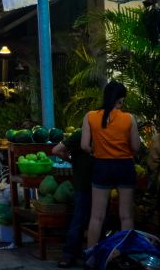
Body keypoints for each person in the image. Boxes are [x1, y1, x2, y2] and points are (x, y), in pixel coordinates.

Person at [82, 80, 142, 249]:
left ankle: (91, 257)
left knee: (97, 216)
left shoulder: (90, 116)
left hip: (101, 166)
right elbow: (136, 146)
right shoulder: (129, 118)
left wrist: (97, 151)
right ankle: (125, 255)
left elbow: (84, 145)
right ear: (121, 99)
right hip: (124, 167)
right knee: (126, 217)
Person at [53, 128, 94, 268]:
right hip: (85, 184)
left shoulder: (100, 133)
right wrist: (72, 160)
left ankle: (88, 253)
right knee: (80, 219)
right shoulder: (81, 134)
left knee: (87, 219)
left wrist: (71, 160)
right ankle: (70, 254)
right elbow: (56, 150)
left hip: (98, 183)